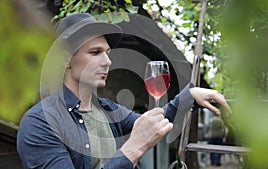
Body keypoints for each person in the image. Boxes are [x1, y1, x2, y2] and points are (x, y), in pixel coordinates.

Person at [17, 13, 231, 169]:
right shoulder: (40, 124)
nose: (107, 61)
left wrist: (189, 96)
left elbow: (151, 122)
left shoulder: (107, 110)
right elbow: (139, 138)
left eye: (107, 53)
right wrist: (133, 149)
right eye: (95, 52)